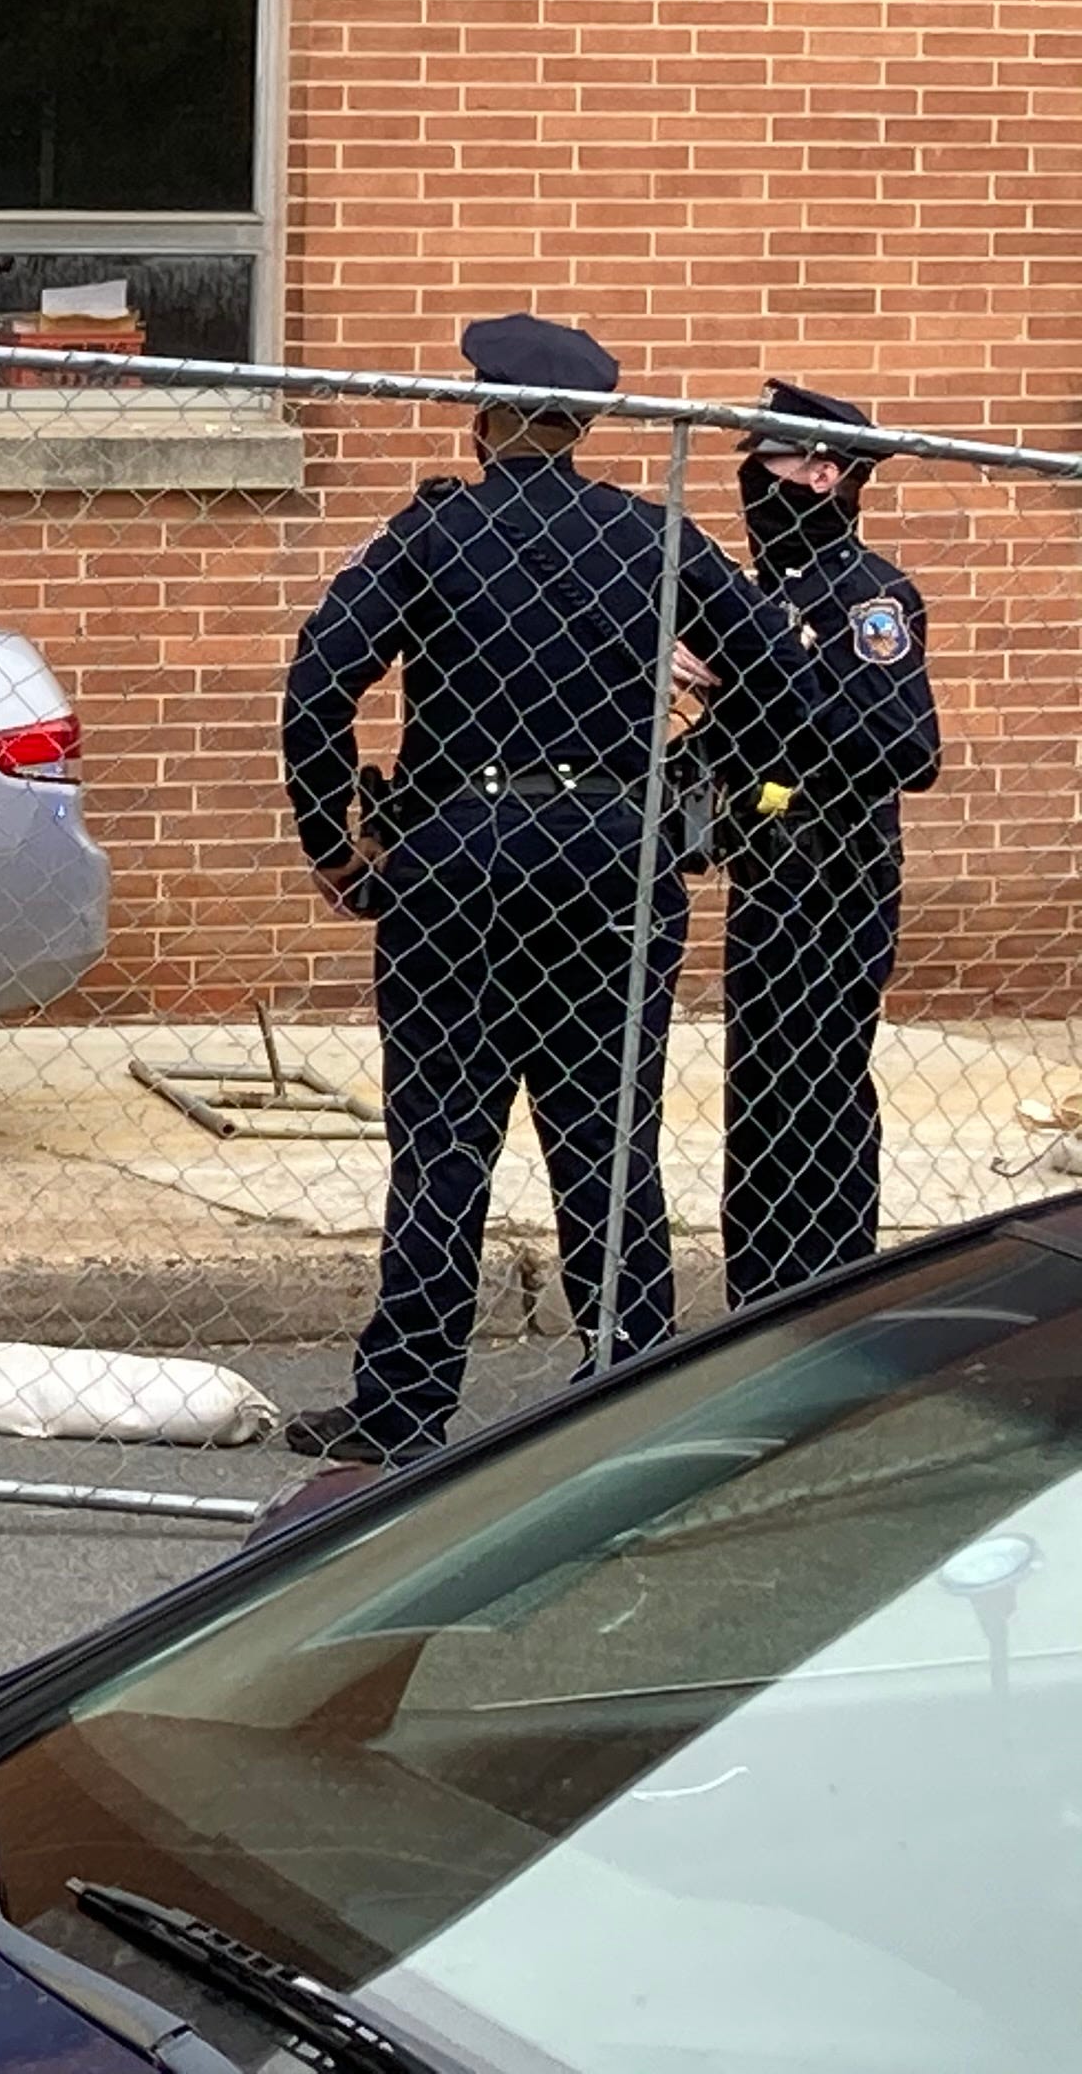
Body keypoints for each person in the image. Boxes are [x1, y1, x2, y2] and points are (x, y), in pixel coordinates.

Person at [277, 314, 828, 1465]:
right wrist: (697, 791)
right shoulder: (650, 537)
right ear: (579, 429)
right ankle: (625, 1389)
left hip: (459, 859)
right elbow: (784, 681)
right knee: (608, 1139)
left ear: (485, 420)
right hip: (613, 864)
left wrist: (334, 839)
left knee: (442, 1142)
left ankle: (404, 1409)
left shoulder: (436, 534)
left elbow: (320, 681)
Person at [697, 382, 939, 1309]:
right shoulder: (766, 596)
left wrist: (764, 673)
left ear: (822, 473)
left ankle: (831, 1293)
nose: (749, 485)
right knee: (758, 1088)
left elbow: (905, 748)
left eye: (765, 463)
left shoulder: (866, 595)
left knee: (819, 1086)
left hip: (838, 874)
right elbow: (746, 735)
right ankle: (758, 1299)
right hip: (765, 869)